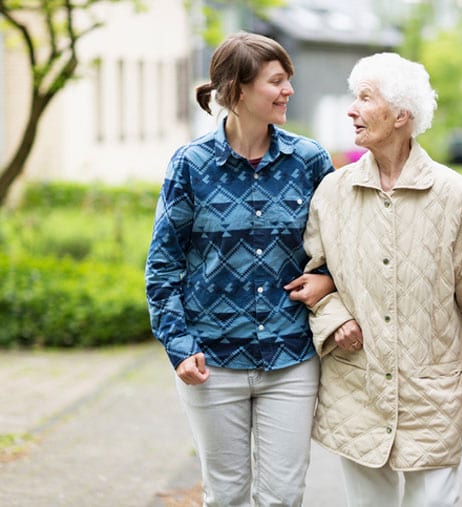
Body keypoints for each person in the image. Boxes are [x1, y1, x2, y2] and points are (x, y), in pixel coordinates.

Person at [291, 52, 462, 506]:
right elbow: (311, 278)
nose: (351, 109)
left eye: (365, 98)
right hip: (358, 387)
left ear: (401, 115)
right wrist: (334, 316)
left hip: (432, 390)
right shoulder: (333, 192)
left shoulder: (454, 195)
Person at [145, 32, 335, 507]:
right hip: (212, 361)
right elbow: (162, 265)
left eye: (288, 79)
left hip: (290, 356)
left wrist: (329, 278)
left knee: (283, 495)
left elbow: (344, 247)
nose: (288, 90)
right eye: (276, 81)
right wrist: (179, 345)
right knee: (226, 494)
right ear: (237, 89)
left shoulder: (309, 162)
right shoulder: (191, 166)